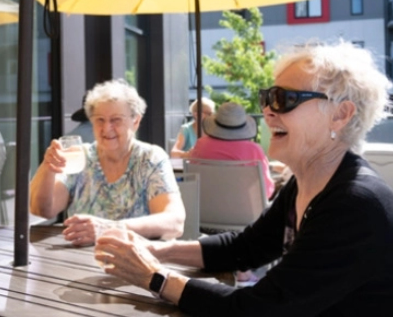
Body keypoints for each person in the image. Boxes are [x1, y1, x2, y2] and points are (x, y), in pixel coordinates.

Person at [95, 41, 393, 316]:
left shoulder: (354, 205)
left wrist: (154, 276)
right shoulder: (308, 183)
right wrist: (154, 250)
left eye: (284, 98)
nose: (267, 110)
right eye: (268, 97)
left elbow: (259, 309)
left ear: (340, 115)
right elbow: (244, 248)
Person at [30, 79, 185, 243]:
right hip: (80, 256)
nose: (106, 128)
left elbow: (174, 222)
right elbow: (43, 210)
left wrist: (108, 228)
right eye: (100, 120)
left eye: (116, 120)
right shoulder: (81, 157)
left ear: (135, 121)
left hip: (135, 256)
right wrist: (48, 167)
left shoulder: (149, 158)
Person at [189, 102, 275, 199]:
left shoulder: (201, 145)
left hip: (203, 205)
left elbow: (191, 179)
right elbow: (266, 191)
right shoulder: (254, 150)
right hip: (245, 207)